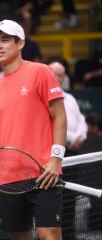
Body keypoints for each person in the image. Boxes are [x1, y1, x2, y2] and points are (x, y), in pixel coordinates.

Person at [0, 20, 67, 240]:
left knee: (49, 234)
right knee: (19, 237)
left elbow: (60, 116)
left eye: (5, 40)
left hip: (44, 173)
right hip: (10, 178)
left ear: (20, 43)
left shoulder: (40, 71)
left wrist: (56, 158)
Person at [49, 61, 87, 240]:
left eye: (61, 74)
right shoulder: (43, 99)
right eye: (54, 73)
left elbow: (81, 120)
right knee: (56, 198)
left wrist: (81, 136)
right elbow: (56, 123)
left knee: (71, 196)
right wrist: (71, 139)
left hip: (73, 155)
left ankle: (70, 235)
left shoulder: (70, 98)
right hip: (54, 155)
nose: (58, 78)